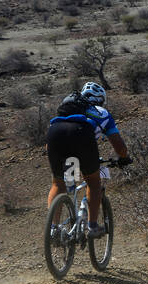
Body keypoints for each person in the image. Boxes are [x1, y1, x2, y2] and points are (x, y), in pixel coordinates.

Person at [46, 81, 131, 238]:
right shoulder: (102, 112)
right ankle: (92, 227)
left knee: (58, 183)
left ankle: (53, 229)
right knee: (93, 182)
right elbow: (119, 146)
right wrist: (124, 157)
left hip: (55, 134)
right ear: (100, 100)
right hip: (81, 136)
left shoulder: (65, 110)